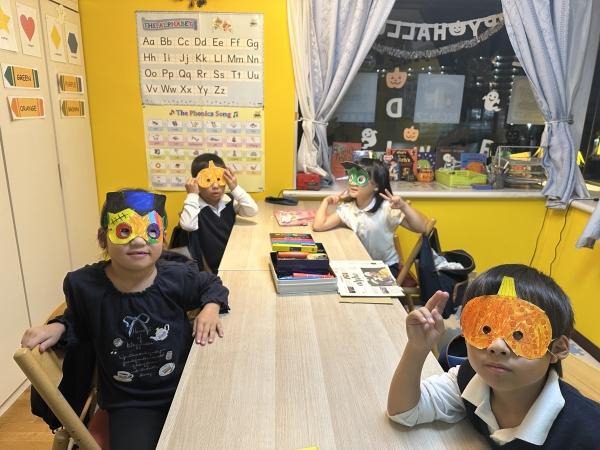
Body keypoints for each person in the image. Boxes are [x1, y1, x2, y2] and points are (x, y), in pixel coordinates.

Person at [21, 190, 230, 450]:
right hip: (131, 402)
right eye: (125, 231)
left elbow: (211, 284)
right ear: (103, 238)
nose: (139, 241)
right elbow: (81, 322)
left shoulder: (177, 277)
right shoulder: (87, 286)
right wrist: (59, 326)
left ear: (163, 237)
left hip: (186, 387)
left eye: (151, 231)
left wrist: (210, 307)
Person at [387, 264, 600, 449]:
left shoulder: (588, 431)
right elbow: (403, 412)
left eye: (520, 334)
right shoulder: (470, 379)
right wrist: (417, 349)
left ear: (559, 349)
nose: (497, 346)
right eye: (486, 329)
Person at [312, 158, 427, 278]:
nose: (353, 183)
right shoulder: (348, 208)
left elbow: (422, 228)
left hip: (385, 267)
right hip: (359, 264)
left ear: (376, 186)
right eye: (352, 177)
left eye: (360, 179)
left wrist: (404, 206)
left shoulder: (387, 208)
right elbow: (319, 226)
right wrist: (326, 201)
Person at [179, 153, 258, 272]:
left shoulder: (229, 200)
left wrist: (234, 187)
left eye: (219, 179)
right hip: (211, 269)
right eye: (208, 180)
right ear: (196, 182)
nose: (215, 186)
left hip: (234, 258)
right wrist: (192, 195)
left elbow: (252, 210)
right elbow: (188, 225)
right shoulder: (193, 208)